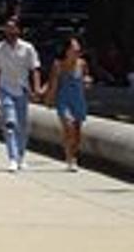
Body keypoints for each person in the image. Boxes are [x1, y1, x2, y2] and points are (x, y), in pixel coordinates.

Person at [0, 15, 42, 172]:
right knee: (10, 123)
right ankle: (12, 158)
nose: (10, 31)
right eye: (7, 28)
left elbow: (35, 69)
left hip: (23, 89)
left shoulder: (28, 48)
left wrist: (36, 88)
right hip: (5, 89)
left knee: (22, 125)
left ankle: (21, 156)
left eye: (13, 27)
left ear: (19, 30)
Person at [49, 35, 90, 171]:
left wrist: (88, 81)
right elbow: (54, 84)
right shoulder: (58, 65)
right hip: (64, 100)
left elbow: (85, 79)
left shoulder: (82, 64)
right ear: (67, 50)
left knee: (77, 132)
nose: (77, 50)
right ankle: (70, 158)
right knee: (69, 126)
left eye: (78, 48)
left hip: (78, 100)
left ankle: (74, 155)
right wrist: (50, 99)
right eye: (74, 47)